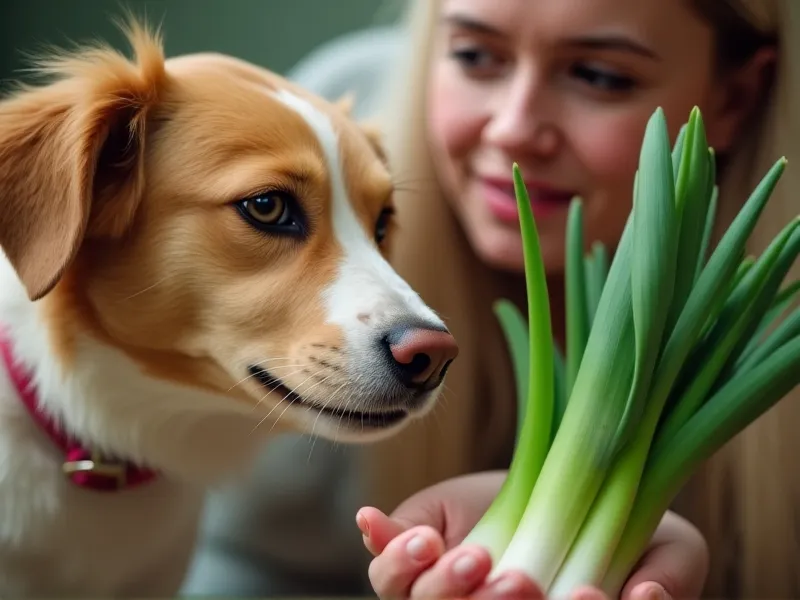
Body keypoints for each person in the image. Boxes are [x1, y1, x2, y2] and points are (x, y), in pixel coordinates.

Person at [181, 0, 799, 598]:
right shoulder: (328, 126)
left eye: (598, 76)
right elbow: (230, 569)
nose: (512, 128)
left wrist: (628, 523)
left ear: (734, 97)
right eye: (474, 56)